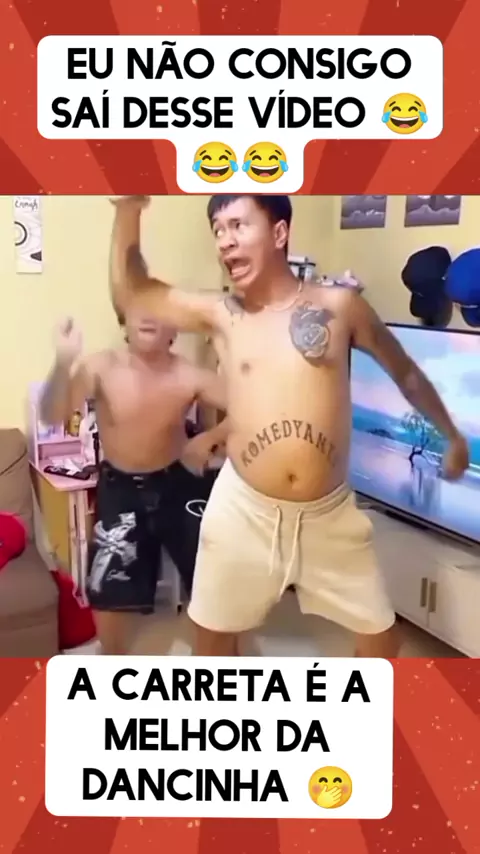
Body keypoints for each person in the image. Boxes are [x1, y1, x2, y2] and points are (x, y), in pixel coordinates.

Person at [111, 193, 470, 659]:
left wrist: (451, 435)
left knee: (382, 641)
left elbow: (406, 373)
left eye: (238, 225)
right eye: (218, 230)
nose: (225, 240)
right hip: (244, 510)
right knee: (212, 643)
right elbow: (133, 293)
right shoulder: (221, 315)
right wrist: (127, 211)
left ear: (279, 233)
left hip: (329, 515)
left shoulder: (341, 307)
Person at [39, 239, 228, 655]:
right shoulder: (101, 367)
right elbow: (52, 414)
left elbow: (252, 405)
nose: (147, 314)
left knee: (217, 585)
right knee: (109, 594)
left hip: (178, 483)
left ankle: (222, 667)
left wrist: (210, 439)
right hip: (120, 488)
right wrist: (63, 363)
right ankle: (113, 662)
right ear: (124, 320)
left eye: (159, 308)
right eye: (138, 305)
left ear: (175, 328)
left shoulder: (189, 375)